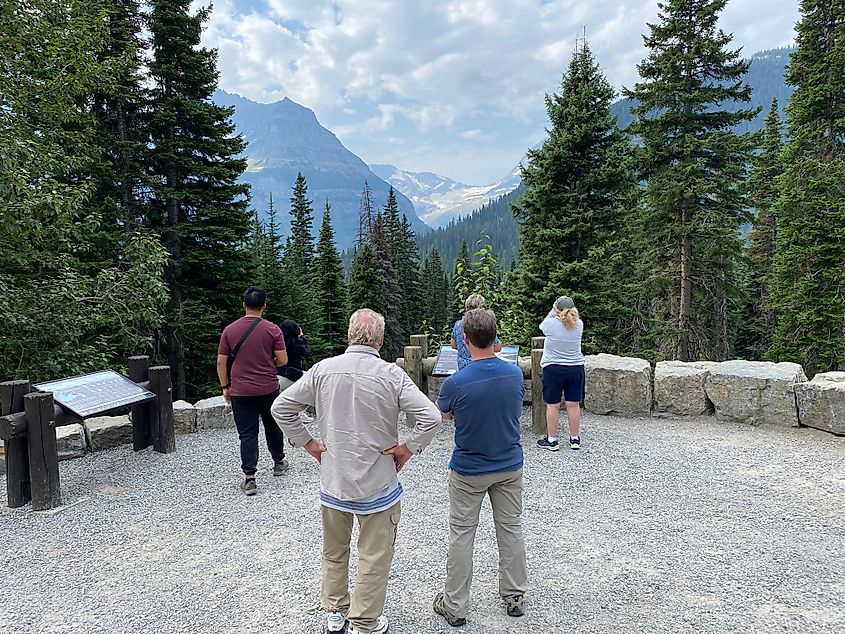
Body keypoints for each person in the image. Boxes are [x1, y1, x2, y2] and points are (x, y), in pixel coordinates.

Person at [271, 309, 441, 634]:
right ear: (379, 339)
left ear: (350, 335)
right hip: (379, 482)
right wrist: (407, 448)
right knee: (374, 557)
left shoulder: (323, 370)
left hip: (334, 481)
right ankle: (364, 622)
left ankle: (336, 614)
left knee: (334, 552)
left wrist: (307, 443)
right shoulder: (391, 374)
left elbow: (281, 407)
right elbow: (430, 418)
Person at [433, 308, 527, 627]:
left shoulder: (456, 383)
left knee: (462, 534)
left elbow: (441, 415)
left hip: (469, 468)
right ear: (494, 338)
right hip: (509, 464)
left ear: (465, 339)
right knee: (511, 529)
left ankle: (455, 605)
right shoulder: (514, 375)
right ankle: (514, 596)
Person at [216, 286, 289, 496]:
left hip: (241, 390)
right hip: (268, 387)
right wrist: (267, 362)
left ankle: (249, 478)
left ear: (244, 305)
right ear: (264, 306)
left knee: (247, 433)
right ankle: (278, 462)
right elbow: (283, 359)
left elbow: (221, 362)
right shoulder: (273, 329)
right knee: (273, 425)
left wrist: (225, 386)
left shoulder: (229, 330)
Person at [536, 295, 585, 451]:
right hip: (575, 367)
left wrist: (552, 312)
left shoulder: (550, 324)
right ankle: (574, 438)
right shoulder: (579, 325)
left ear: (556, 308)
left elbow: (541, 326)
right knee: (573, 404)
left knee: (553, 405)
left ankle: (552, 440)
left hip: (553, 368)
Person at [451, 293, 502, 370]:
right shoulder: (484, 324)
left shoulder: (458, 324)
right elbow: (497, 347)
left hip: (463, 368)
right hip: (481, 367)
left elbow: (453, 344)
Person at [277, 319, 311, 392]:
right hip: (293, 375)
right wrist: (302, 337)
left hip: (278, 374)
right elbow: (307, 352)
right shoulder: (296, 345)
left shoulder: (278, 344)